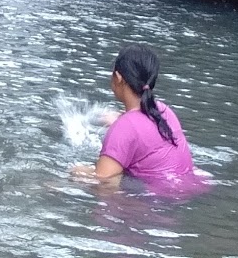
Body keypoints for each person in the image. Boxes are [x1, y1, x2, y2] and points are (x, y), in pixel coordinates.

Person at [71, 44, 197, 184]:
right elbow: (141, 129)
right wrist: (120, 120)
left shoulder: (123, 128)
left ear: (118, 78)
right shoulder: (163, 110)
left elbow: (102, 180)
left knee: (78, 173)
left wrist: (76, 172)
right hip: (186, 188)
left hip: (153, 199)